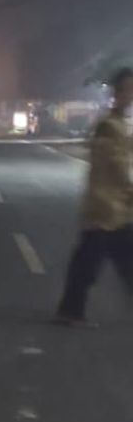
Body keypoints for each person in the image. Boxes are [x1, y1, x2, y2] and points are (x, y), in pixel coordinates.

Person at [54, 68, 133, 326]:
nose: (131, 95)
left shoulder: (117, 124)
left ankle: (70, 310)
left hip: (115, 208)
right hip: (106, 209)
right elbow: (118, 166)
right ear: (117, 92)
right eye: (128, 90)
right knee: (89, 265)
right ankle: (70, 311)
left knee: (111, 263)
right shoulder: (110, 127)